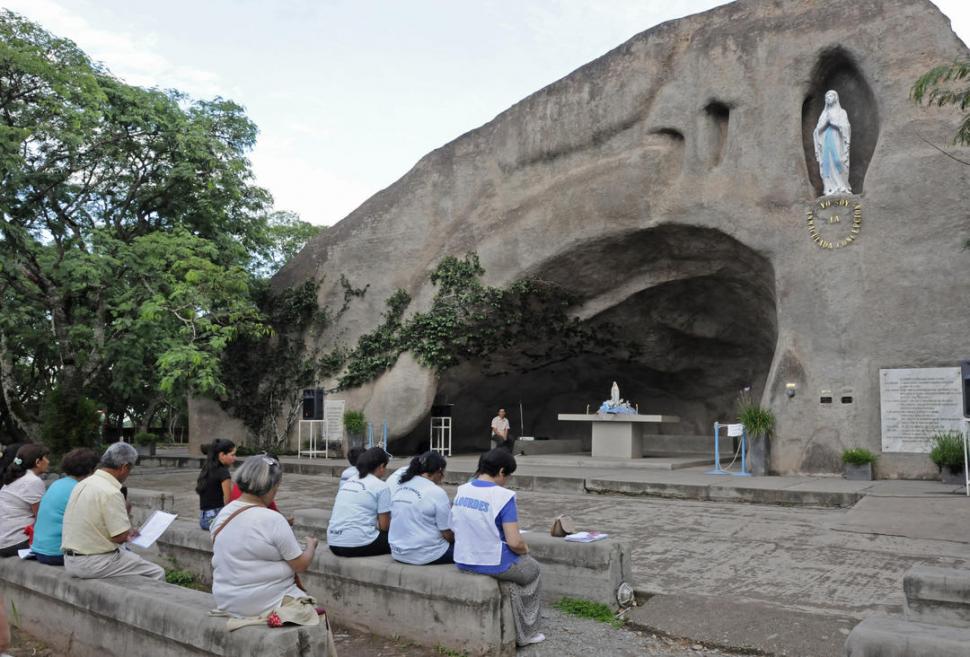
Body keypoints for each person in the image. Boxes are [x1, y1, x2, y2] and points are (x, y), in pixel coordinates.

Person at [451, 448, 544, 647]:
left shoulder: (462, 490)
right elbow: (515, 542)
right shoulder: (503, 496)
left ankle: (517, 619)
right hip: (492, 562)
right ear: (501, 471)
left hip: (463, 559)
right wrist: (525, 550)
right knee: (533, 569)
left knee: (512, 580)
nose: (507, 480)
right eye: (508, 476)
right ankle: (527, 632)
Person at [210, 454, 319, 618]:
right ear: (272, 486)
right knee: (315, 614)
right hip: (264, 601)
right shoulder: (273, 519)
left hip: (226, 599)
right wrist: (311, 546)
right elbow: (301, 565)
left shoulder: (224, 513)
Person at [61, 441, 164, 580]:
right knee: (157, 572)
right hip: (94, 563)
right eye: (130, 469)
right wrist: (130, 533)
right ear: (124, 467)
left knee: (129, 557)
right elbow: (119, 537)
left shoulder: (83, 484)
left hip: (70, 560)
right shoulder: (111, 492)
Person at [32, 448, 100, 566]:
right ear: (91, 470)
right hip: (57, 553)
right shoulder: (80, 489)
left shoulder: (57, 484)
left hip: (39, 549)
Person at [388, 451, 453, 565]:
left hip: (398, 553)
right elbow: (447, 534)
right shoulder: (436, 492)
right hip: (425, 555)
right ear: (439, 471)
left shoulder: (402, 485)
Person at [327, 446, 391, 557]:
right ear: (381, 467)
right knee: (400, 540)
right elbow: (384, 526)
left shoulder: (350, 480)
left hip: (333, 543)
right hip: (357, 544)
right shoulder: (381, 486)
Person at [0, 444, 49, 557]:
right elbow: (41, 517)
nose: (48, 462)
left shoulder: (12, 479)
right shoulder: (32, 481)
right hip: (17, 542)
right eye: (46, 458)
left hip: (3, 542)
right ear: (38, 462)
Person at [813, 89, 852, 196]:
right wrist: (825, 124)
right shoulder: (824, 114)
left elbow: (846, 127)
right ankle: (829, 187)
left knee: (838, 160)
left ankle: (841, 185)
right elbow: (817, 131)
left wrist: (834, 123)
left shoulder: (842, 112)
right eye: (826, 97)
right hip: (826, 140)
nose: (828, 98)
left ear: (836, 98)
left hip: (837, 139)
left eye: (830, 96)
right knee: (826, 163)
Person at [196, 439, 237, 530]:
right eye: (232, 455)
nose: (235, 458)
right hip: (214, 519)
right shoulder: (223, 472)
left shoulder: (207, 468)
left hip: (204, 519)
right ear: (222, 455)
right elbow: (228, 500)